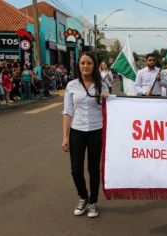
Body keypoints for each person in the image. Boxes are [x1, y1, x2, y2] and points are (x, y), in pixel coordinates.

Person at [62, 51, 109, 218]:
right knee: (76, 169)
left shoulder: (102, 85)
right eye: (82, 63)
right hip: (77, 131)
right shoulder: (72, 85)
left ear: (94, 65)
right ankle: (83, 197)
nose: (85, 66)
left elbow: (109, 110)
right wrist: (65, 136)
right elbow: (67, 112)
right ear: (78, 65)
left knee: (94, 168)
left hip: (97, 131)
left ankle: (93, 202)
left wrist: (107, 98)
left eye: (89, 63)